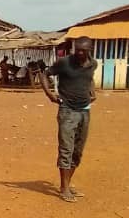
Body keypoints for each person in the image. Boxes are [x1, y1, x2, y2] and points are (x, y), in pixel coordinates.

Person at [39, 37, 96, 203]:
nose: (79, 52)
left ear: (89, 50)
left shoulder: (93, 64)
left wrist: (93, 91)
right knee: (66, 148)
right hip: (67, 111)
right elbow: (44, 74)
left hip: (85, 111)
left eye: (83, 50)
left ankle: (67, 184)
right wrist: (49, 94)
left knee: (78, 150)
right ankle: (64, 189)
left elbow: (89, 78)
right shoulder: (64, 63)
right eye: (77, 49)